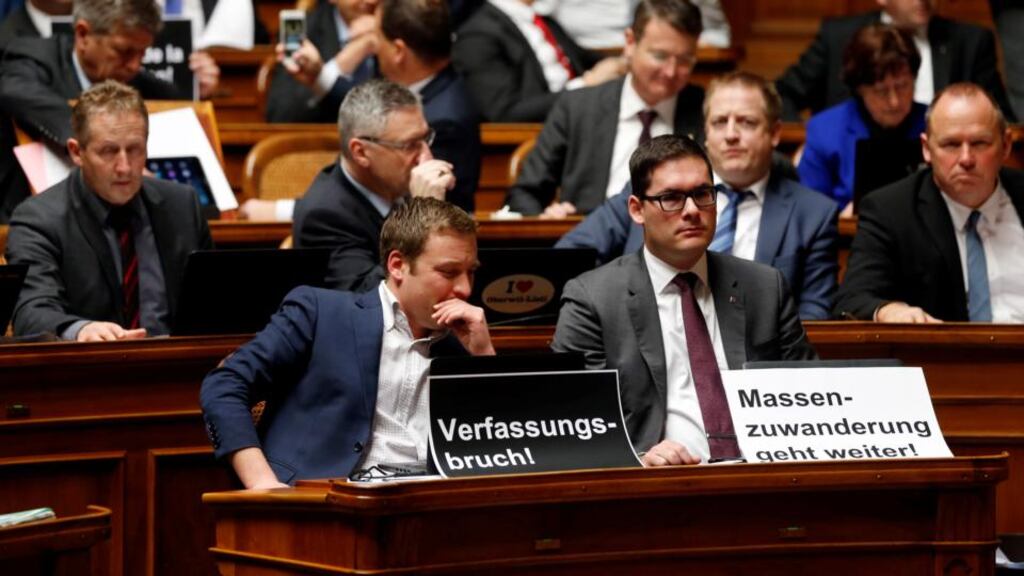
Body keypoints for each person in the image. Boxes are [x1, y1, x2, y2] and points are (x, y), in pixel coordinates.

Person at [552, 134, 816, 466]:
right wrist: (639, 456)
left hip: (763, 475)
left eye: (702, 194)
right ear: (637, 210)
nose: (692, 211)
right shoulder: (592, 299)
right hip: (658, 485)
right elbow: (576, 422)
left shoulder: (764, 287)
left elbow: (810, 395)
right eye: (671, 198)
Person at [200, 197, 495, 487]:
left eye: (471, 272)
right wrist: (262, 483)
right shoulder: (321, 313)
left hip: (432, 503)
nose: (465, 289)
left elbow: (506, 445)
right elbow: (224, 385)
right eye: (448, 272)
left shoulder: (464, 343)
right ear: (397, 265)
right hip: (328, 502)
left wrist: (483, 356)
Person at [557, 72, 839, 320]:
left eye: (746, 122)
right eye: (719, 122)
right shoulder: (652, 192)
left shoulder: (813, 214)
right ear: (705, 132)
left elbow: (814, 315)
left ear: (775, 132)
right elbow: (569, 260)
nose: (731, 135)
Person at [4, 80, 212, 340]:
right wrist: (81, 330)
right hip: (90, 370)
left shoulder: (182, 206)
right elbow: (31, 312)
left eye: (134, 149)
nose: (124, 166)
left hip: (177, 367)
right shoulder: (39, 219)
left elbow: (211, 304)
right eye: (109, 151)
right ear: (77, 152)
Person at [245, 0, 479, 216]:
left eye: (375, 38)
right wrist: (320, 76)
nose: (373, 47)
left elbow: (390, 207)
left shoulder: (445, 120)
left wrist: (283, 211)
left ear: (398, 51)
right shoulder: (432, 88)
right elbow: (371, 113)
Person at [0, 0, 216, 223]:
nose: (134, 65)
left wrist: (201, 90)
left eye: (142, 53)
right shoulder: (33, 56)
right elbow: (16, 90)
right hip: (33, 218)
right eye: (124, 51)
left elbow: (176, 105)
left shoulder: (142, 83)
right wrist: (90, 135)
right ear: (83, 35)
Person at [834, 83, 1024, 323]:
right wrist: (888, 310)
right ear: (926, 148)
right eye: (951, 145)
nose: (966, 159)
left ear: (1005, 145)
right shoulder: (890, 211)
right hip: (942, 357)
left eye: (979, 143)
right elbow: (852, 299)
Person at [506, 0, 705, 218]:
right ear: (630, 43)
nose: (671, 71)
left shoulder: (708, 112)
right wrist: (549, 221)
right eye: (660, 56)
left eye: (685, 60)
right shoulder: (578, 107)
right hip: (589, 244)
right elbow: (524, 195)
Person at [292, 78, 458, 293]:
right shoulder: (325, 216)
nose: (426, 156)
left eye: (426, 138)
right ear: (361, 152)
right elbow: (368, 298)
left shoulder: (407, 185)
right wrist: (425, 215)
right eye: (409, 145)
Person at [775, 0, 1015, 122]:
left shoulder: (971, 41)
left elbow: (1000, 118)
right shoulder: (838, 37)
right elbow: (781, 96)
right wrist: (808, 142)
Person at [798, 23, 927, 213]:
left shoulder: (935, 123)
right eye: (881, 91)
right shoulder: (825, 131)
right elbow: (808, 214)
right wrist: (840, 220)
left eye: (903, 86)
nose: (894, 102)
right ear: (860, 90)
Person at [451, 0, 625, 122]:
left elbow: (584, 58)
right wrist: (585, 85)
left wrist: (625, 62)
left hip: (585, 114)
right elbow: (505, 112)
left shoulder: (543, 20)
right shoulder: (478, 35)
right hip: (540, 134)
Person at [265, 0, 378, 123]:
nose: (372, 1)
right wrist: (342, 62)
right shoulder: (302, 30)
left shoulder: (394, 27)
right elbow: (282, 115)